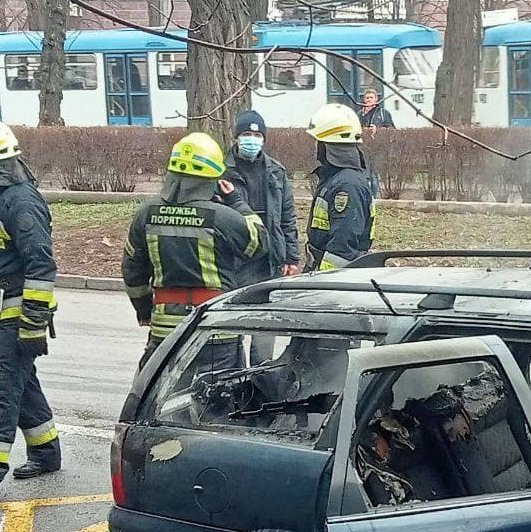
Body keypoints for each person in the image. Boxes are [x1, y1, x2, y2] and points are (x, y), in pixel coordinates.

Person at [0, 119, 60, 495]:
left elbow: (41, 265)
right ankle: (46, 451)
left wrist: (33, 322)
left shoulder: (20, 201)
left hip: (18, 315)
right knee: (23, 384)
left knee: (1, 389)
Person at [122, 132, 268, 365]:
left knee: (162, 397)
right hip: (215, 328)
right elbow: (259, 242)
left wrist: (143, 309)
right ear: (213, 177)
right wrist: (236, 202)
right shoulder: (221, 217)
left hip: (165, 329)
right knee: (218, 398)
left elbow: (132, 271)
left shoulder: (146, 213)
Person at [222, 110, 300, 285]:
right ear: (237, 137)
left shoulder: (276, 172)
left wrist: (291, 258)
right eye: (246, 134)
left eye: (257, 135)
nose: (252, 139)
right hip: (235, 260)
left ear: (263, 139)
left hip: (270, 260)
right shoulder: (222, 171)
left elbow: (287, 218)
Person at [304, 103, 376, 271]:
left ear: (326, 145)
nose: (315, 145)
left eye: (317, 141)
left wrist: (325, 280)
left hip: (332, 278)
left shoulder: (347, 185)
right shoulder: (336, 179)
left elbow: (342, 246)